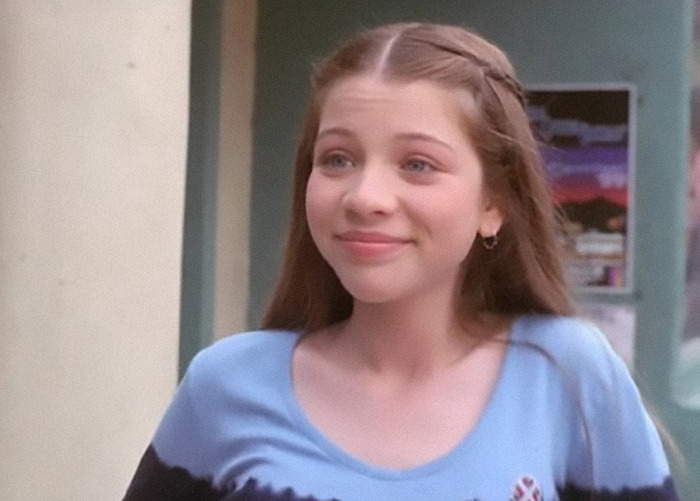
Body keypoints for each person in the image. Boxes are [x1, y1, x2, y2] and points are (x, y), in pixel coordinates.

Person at [124, 23, 678, 501]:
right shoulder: (225, 385)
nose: (366, 197)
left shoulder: (568, 374)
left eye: (417, 164)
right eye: (337, 158)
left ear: (495, 203)